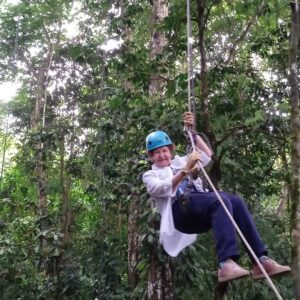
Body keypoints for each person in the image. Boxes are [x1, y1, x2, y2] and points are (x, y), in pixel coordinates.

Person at [142, 112, 291, 282]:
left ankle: (260, 261)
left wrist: (192, 134)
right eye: (157, 153)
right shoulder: (150, 175)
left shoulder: (179, 161)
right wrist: (185, 171)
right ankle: (226, 263)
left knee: (235, 201)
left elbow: (207, 156)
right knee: (220, 200)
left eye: (164, 151)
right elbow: (160, 189)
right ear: (151, 156)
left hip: (198, 207)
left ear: (170, 150)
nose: (162, 155)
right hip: (180, 212)